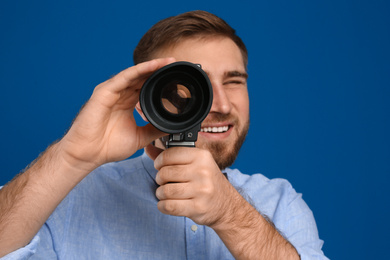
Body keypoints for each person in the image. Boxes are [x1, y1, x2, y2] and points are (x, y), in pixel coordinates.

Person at [0, 10, 328, 259]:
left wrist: (231, 214)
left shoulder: (280, 202)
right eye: (192, 85)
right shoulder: (66, 196)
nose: (223, 104)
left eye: (233, 80)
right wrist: (72, 156)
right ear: (147, 99)